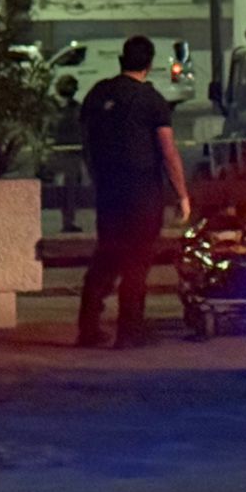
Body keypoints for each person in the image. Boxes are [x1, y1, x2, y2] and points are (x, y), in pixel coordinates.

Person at [77, 35, 192, 349]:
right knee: (137, 261)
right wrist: (181, 194)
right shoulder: (150, 99)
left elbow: (86, 143)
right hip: (142, 190)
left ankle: (88, 327)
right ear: (149, 64)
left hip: (109, 189)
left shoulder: (98, 93)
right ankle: (129, 330)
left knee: (106, 256)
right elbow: (167, 151)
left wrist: (97, 177)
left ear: (121, 60)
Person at [49, 75, 85, 233]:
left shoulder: (71, 107)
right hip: (64, 151)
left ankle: (68, 220)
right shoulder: (74, 108)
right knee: (67, 188)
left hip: (67, 151)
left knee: (68, 188)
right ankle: (67, 220)